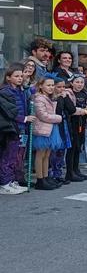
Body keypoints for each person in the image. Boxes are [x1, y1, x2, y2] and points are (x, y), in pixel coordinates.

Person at [0, 64, 33, 194]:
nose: (20, 78)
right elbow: (10, 112)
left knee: (18, 156)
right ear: (8, 78)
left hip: (22, 128)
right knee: (9, 156)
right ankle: (4, 183)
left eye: (21, 76)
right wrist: (24, 119)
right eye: (16, 76)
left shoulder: (22, 91)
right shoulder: (5, 92)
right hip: (12, 129)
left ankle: (13, 181)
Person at [31, 76, 63, 190]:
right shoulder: (39, 98)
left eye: (52, 85)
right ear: (41, 86)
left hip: (50, 128)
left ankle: (46, 177)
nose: (51, 87)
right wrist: (58, 118)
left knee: (47, 154)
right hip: (42, 129)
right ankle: (40, 179)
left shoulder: (49, 98)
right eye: (48, 85)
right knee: (41, 154)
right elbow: (42, 115)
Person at [67, 75, 87, 182]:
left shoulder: (85, 94)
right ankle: (70, 172)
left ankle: (76, 170)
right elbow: (71, 110)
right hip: (71, 123)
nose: (79, 84)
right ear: (72, 83)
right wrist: (84, 111)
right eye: (77, 82)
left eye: (81, 82)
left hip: (81, 122)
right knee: (72, 148)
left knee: (79, 147)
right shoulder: (68, 93)